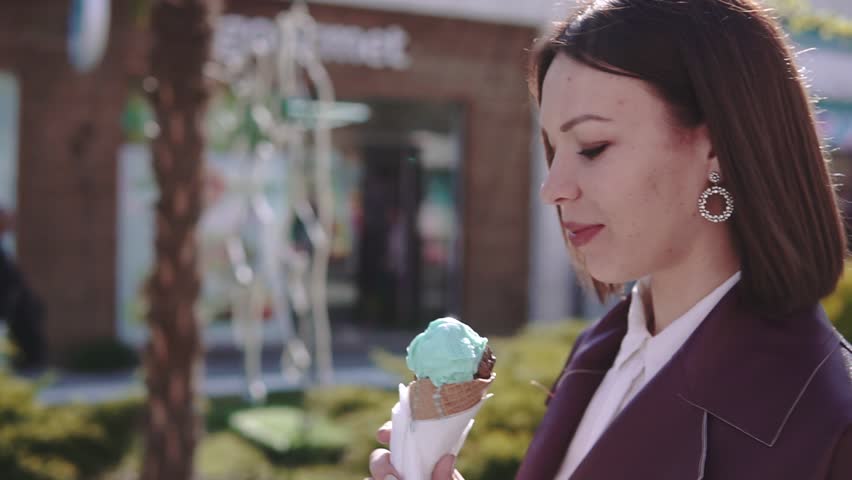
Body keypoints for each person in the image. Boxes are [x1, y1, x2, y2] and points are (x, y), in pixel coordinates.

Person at [368, 0, 852, 478]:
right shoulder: (601, 351)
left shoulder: (830, 423)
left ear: (718, 145)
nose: (552, 189)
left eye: (593, 148)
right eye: (553, 150)